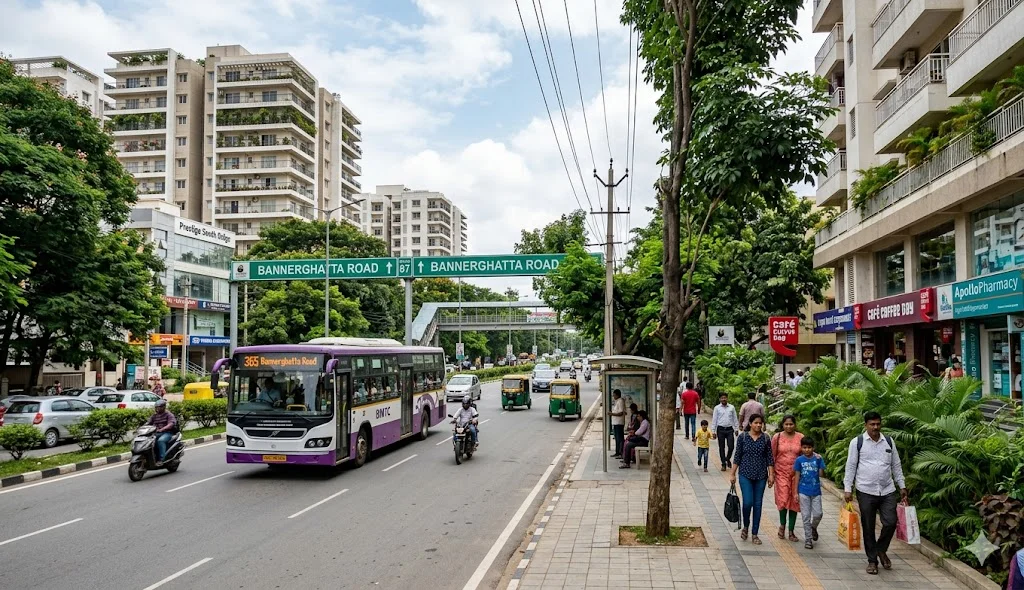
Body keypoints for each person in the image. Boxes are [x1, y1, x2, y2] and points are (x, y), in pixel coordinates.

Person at [843, 411, 908, 575]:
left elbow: (896, 466)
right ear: (865, 425)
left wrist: (902, 486)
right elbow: (851, 466)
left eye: (878, 424)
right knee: (868, 526)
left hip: (887, 490)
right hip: (865, 490)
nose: (875, 427)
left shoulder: (888, 442)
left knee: (891, 522)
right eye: (872, 424)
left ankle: (881, 549)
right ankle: (872, 561)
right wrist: (847, 488)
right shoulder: (857, 443)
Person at [730, 414, 774, 545]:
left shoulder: (766, 438)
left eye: (760, 423)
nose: (758, 425)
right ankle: (746, 526)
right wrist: (732, 473)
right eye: (756, 423)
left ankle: (755, 533)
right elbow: (737, 456)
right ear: (750, 424)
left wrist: (771, 474)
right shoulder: (743, 437)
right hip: (745, 474)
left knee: (758, 504)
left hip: (761, 475)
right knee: (748, 502)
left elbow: (769, 458)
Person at [771, 415, 803, 542]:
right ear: (782, 425)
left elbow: (804, 454)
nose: (789, 426)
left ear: (795, 425)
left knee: (794, 501)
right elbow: (772, 456)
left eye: (791, 424)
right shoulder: (777, 437)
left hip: (796, 474)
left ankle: (791, 530)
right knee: (783, 500)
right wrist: (771, 474)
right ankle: (782, 525)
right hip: (781, 473)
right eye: (786, 424)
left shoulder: (800, 437)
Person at [792, 437, 826, 549]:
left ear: (813, 448)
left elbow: (821, 474)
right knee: (805, 515)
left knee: (818, 514)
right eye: (804, 447)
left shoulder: (817, 458)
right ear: (801, 448)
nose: (807, 450)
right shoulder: (799, 460)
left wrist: (820, 460)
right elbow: (797, 476)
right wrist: (795, 492)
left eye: (809, 447)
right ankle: (808, 539)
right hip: (803, 491)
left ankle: (813, 527)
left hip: (816, 491)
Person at [711, 393, 739, 471]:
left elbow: (735, 418)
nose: (724, 399)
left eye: (725, 398)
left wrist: (736, 429)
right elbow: (714, 419)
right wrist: (713, 431)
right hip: (720, 429)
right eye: (722, 398)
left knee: (731, 446)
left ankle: (727, 458)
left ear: (727, 398)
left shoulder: (731, 407)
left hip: (730, 429)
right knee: (721, 447)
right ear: (720, 399)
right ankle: (723, 463)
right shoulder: (717, 408)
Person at [609, 390, 626, 459]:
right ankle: (617, 452)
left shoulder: (620, 401)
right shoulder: (617, 401)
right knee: (616, 438)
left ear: (617, 395)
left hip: (619, 423)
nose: (613, 396)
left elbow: (621, 413)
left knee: (620, 438)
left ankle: (621, 452)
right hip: (616, 423)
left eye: (614, 395)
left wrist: (612, 414)